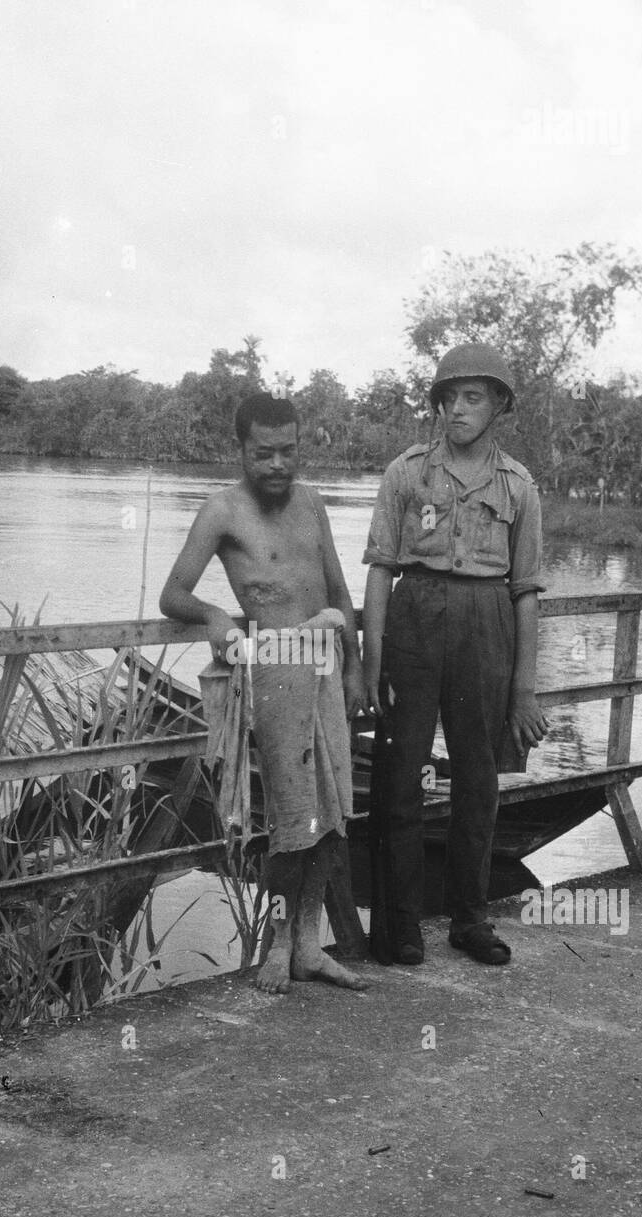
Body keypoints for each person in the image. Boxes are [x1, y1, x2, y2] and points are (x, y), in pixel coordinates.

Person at [159, 391, 367, 994]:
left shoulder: (313, 501)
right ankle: (276, 949)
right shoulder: (221, 510)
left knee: (332, 818)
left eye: (288, 452)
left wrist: (354, 669)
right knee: (290, 825)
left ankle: (309, 946)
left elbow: (338, 590)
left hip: (325, 666)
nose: (278, 465)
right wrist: (216, 616)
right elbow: (173, 595)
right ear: (241, 450)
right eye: (263, 453)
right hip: (273, 671)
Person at [361, 344, 549, 967]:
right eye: (451, 397)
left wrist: (523, 689)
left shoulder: (518, 484)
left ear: (498, 406)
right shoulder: (407, 473)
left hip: (486, 624)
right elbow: (382, 570)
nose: (460, 410)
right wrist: (372, 659)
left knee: (479, 778)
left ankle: (470, 920)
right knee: (401, 777)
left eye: (475, 397)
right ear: (437, 404)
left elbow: (526, 592)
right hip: (415, 619)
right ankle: (400, 926)